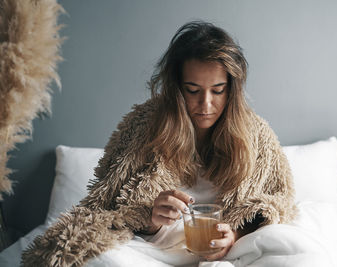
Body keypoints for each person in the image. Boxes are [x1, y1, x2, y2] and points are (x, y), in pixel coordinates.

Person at [21, 21, 297, 266]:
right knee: (98, 259)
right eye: (192, 91)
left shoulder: (255, 133)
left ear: (232, 88)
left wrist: (235, 234)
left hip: (230, 249)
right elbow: (106, 208)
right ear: (176, 87)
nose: (206, 104)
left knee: (301, 254)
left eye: (218, 90)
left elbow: (278, 201)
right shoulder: (143, 126)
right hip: (152, 250)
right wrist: (150, 218)